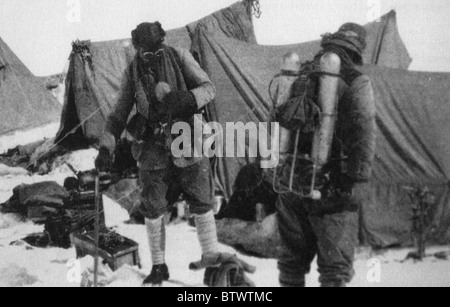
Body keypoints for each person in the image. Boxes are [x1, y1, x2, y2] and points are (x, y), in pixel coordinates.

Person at [95, 22, 254, 286]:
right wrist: (105, 147)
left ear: (163, 42)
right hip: (153, 151)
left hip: (188, 141)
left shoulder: (180, 56)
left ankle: (211, 255)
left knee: (202, 201)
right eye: (147, 54)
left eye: (157, 51)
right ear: (137, 49)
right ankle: (159, 267)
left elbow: (208, 88)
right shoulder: (132, 72)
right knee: (153, 207)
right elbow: (116, 116)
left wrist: (187, 99)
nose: (153, 58)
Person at [274, 23, 377, 287]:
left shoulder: (299, 74)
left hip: (290, 183)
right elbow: (364, 130)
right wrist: (358, 180)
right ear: (356, 50)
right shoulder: (356, 80)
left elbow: (276, 120)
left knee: (291, 266)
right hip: (332, 189)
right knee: (334, 272)